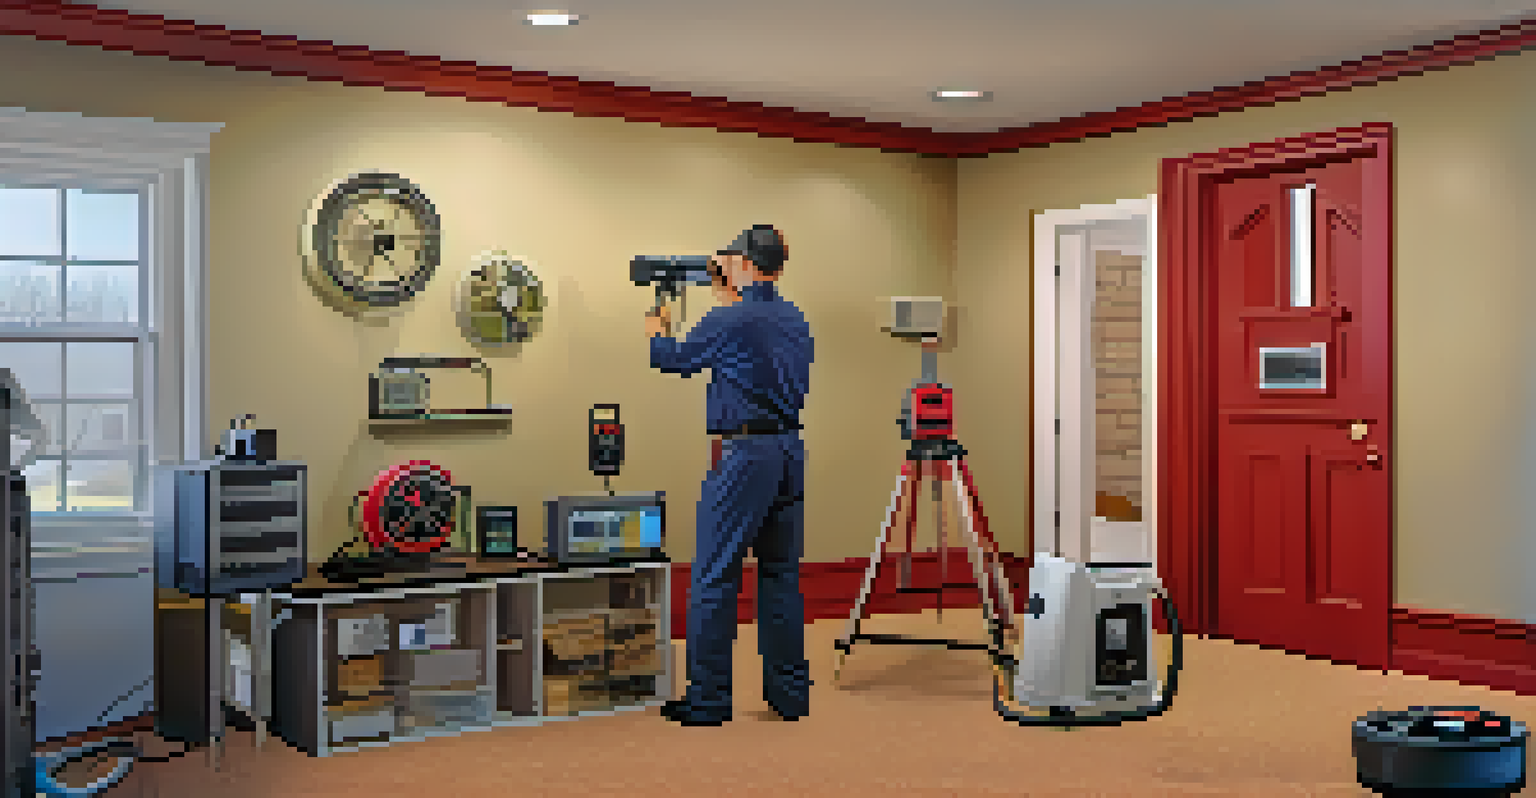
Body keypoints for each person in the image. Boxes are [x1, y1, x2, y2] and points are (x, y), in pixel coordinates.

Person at [646, 224, 814, 726]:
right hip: (788, 451)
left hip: (744, 455)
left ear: (743, 262)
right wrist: (725, 295)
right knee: (780, 577)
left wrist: (657, 325)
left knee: (714, 575)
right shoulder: (793, 317)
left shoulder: (731, 319)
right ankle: (790, 697)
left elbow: (671, 359)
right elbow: (751, 355)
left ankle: (709, 698)